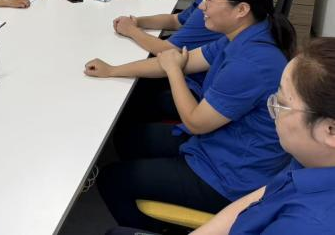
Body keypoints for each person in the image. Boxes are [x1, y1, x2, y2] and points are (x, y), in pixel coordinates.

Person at [85, 0, 296, 232]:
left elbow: (195, 121)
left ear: (241, 9)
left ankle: (155, 228)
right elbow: (181, 60)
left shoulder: (251, 63)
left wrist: (173, 70)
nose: (202, 6)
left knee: (112, 180)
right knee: (128, 138)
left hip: (231, 177)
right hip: (219, 143)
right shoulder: (241, 34)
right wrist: (113, 70)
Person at [107, 37, 335, 235]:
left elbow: (196, 122)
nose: (271, 110)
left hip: (227, 172)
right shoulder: (311, 159)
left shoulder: (308, 225)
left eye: (281, 104)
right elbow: (261, 196)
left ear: (331, 131)